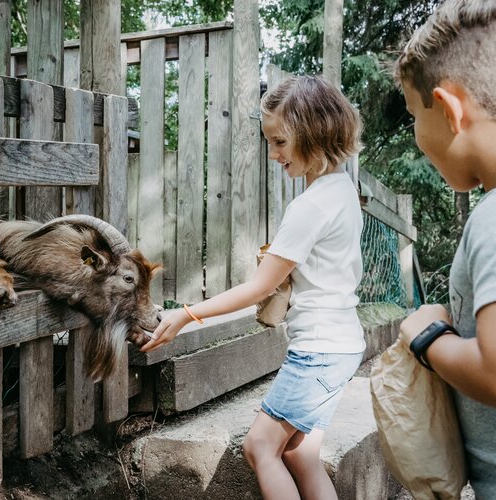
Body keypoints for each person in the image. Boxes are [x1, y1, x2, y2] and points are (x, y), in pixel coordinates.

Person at [141, 75, 365, 500]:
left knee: (260, 446)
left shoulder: (310, 205)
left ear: (314, 133)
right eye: (270, 142)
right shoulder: (342, 190)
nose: (273, 154)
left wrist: (186, 314)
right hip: (342, 344)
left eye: (280, 142)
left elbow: (258, 288)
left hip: (320, 350)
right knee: (299, 456)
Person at [393, 1, 496, 497]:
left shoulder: (493, 217)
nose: (416, 136)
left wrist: (426, 336)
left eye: (415, 115)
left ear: (450, 109)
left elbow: (495, 372)